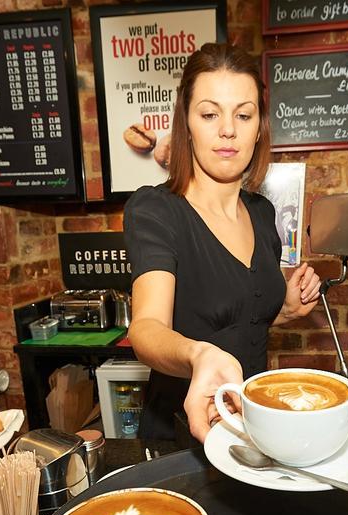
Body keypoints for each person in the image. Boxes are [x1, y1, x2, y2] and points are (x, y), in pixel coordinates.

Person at [124, 42, 322, 443]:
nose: (228, 129)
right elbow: (146, 328)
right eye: (210, 113)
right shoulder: (157, 210)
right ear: (187, 123)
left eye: (243, 114)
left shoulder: (263, 213)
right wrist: (199, 355)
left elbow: (242, 316)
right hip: (182, 432)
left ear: (259, 127)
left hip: (252, 428)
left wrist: (285, 307)